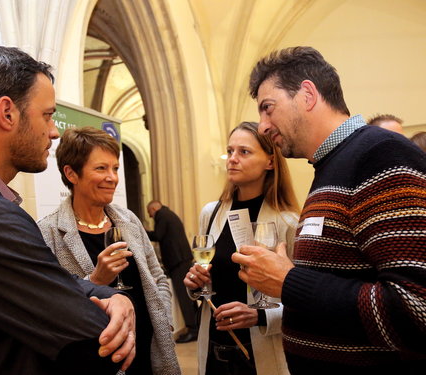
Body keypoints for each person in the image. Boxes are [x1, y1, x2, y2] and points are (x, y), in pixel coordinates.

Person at [233, 46, 426, 374]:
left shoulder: (381, 155)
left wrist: (289, 281)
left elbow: (416, 310)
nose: (263, 126)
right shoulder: (330, 166)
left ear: (307, 95)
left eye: (268, 108)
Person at [0, 45, 136, 374]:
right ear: (7, 113)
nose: (54, 131)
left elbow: (44, 280)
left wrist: (107, 293)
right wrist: (108, 308)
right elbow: (95, 341)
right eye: (47, 115)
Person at [37, 127, 180, 375]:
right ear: (71, 173)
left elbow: (158, 278)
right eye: (101, 168)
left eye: (115, 168)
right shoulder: (48, 232)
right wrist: (96, 281)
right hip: (95, 360)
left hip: (148, 354)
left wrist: (163, 320)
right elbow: (51, 308)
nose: (112, 177)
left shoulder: (129, 221)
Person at [184, 121, 300, 375]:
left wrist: (258, 316)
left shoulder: (288, 223)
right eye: (230, 151)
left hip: (260, 354)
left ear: (270, 161)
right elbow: (205, 280)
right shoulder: (211, 213)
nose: (232, 159)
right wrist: (195, 284)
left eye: (244, 152)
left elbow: (301, 298)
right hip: (214, 347)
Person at [146, 200, 199, 343]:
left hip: (177, 260)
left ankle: (193, 329)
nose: (150, 216)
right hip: (183, 258)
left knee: (184, 296)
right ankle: (196, 327)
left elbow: (158, 235)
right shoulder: (169, 214)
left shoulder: (162, 214)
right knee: (189, 295)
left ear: (154, 208)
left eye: (149, 212)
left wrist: (142, 231)